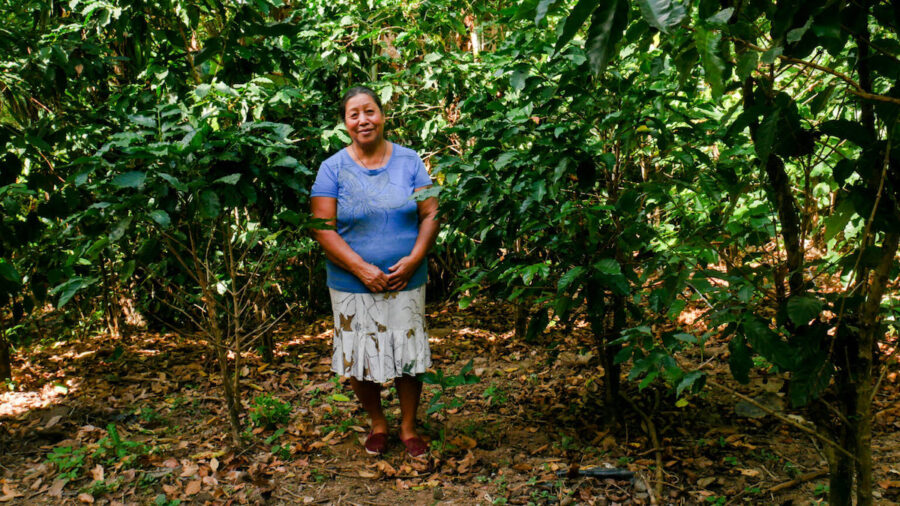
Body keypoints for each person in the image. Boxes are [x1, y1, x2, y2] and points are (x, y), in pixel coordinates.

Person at [310, 86, 439, 458]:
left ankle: (409, 426)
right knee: (359, 356)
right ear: (346, 124)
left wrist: (414, 258)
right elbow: (321, 226)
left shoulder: (409, 160)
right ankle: (378, 423)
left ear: (382, 115)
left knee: (408, 355)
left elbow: (429, 212)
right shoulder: (332, 167)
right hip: (352, 283)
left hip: (406, 279)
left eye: (370, 111)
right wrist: (361, 268)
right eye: (354, 114)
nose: (363, 120)